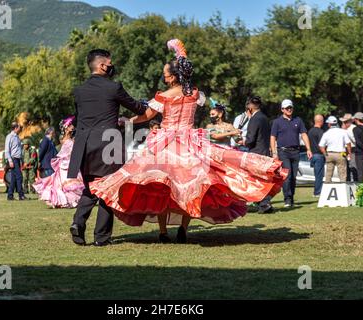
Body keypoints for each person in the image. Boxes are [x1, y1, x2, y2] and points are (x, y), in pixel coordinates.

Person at [89, 39, 287, 244]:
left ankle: (163, 232)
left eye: (166, 75)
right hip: (190, 141)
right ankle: (183, 229)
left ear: (173, 77)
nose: (164, 78)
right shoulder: (195, 94)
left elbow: (147, 115)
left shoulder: (164, 96)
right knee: (192, 186)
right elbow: (194, 97)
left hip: (166, 143)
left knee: (162, 186)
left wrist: (128, 120)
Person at [67, 49, 148, 247]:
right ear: (103, 66)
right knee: (109, 190)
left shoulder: (79, 91)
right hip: (108, 144)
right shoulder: (114, 88)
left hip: (84, 145)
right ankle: (101, 237)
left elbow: (79, 119)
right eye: (110, 63)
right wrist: (126, 118)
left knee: (90, 187)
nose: (112, 66)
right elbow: (138, 108)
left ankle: (78, 223)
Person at [34, 116, 84, 208]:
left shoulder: (72, 138)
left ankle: (71, 201)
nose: (72, 127)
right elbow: (65, 152)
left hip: (70, 163)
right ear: (66, 128)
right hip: (65, 164)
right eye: (70, 125)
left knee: (72, 183)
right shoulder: (64, 139)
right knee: (66, 183)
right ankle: (65, 201)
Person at [271, 99, 312, 208]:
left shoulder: (298, 120)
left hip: (295, 151)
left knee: (294, 177)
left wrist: (308, 149)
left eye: (291, 107)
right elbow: (273, 137)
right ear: (282, 109)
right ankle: (287, 199)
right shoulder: (277, 122)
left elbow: (304, 134)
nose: (289, 109)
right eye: (287, 108)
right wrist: (274, 152)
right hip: (283, 151)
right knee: (287, 176)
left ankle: (291, 197)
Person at [244, 96, 274, 213]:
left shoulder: (254, 119)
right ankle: (264, 203)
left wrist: (243, 141)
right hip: (265, 152)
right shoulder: (265, 118)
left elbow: (251, 139)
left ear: (250, 107)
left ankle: (264, 203)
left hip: (256, 153)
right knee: (262, 179)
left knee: (255, 179)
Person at [319, 116, 351, 183]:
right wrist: (349, 153)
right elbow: (348, 143)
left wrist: (325, 154)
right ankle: (342, 189)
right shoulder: (343, 132)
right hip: (341, 154)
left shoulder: (326, 133)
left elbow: (321, 146)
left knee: (328, 173)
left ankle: (327, 189)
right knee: (342, 173)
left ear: (329, 124)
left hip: (330, 154)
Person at [5, 122, 26, 200]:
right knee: (19, 177)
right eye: (19, 127)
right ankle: (21, 195)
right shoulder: (9, 137)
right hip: (13, 159)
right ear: (15, 128)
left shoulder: (17, 137)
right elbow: (7, 150)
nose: (20, 129)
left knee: (13, 179)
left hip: (17, 159)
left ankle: (10, 195)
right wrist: (10, 161)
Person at [308, 115, 325, 197]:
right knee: (319, 175)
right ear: (321, 121)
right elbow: (322, 144)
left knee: (316, 174)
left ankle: (317, 191)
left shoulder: (310, 131)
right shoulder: (320, 132)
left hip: (312, 155)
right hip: (319, 155)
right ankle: (317, 192)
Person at [340, 113, 357, 181]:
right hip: (344, 150)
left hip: (352, 150)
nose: (344, 123)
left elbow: (355, 140)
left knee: (353, 167)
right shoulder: (344, 129)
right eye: (344, 122)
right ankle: (348, 181)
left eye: (345, 122)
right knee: (346, 168)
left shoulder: (353, 128)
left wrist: (345, 131)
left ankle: (356, 182)